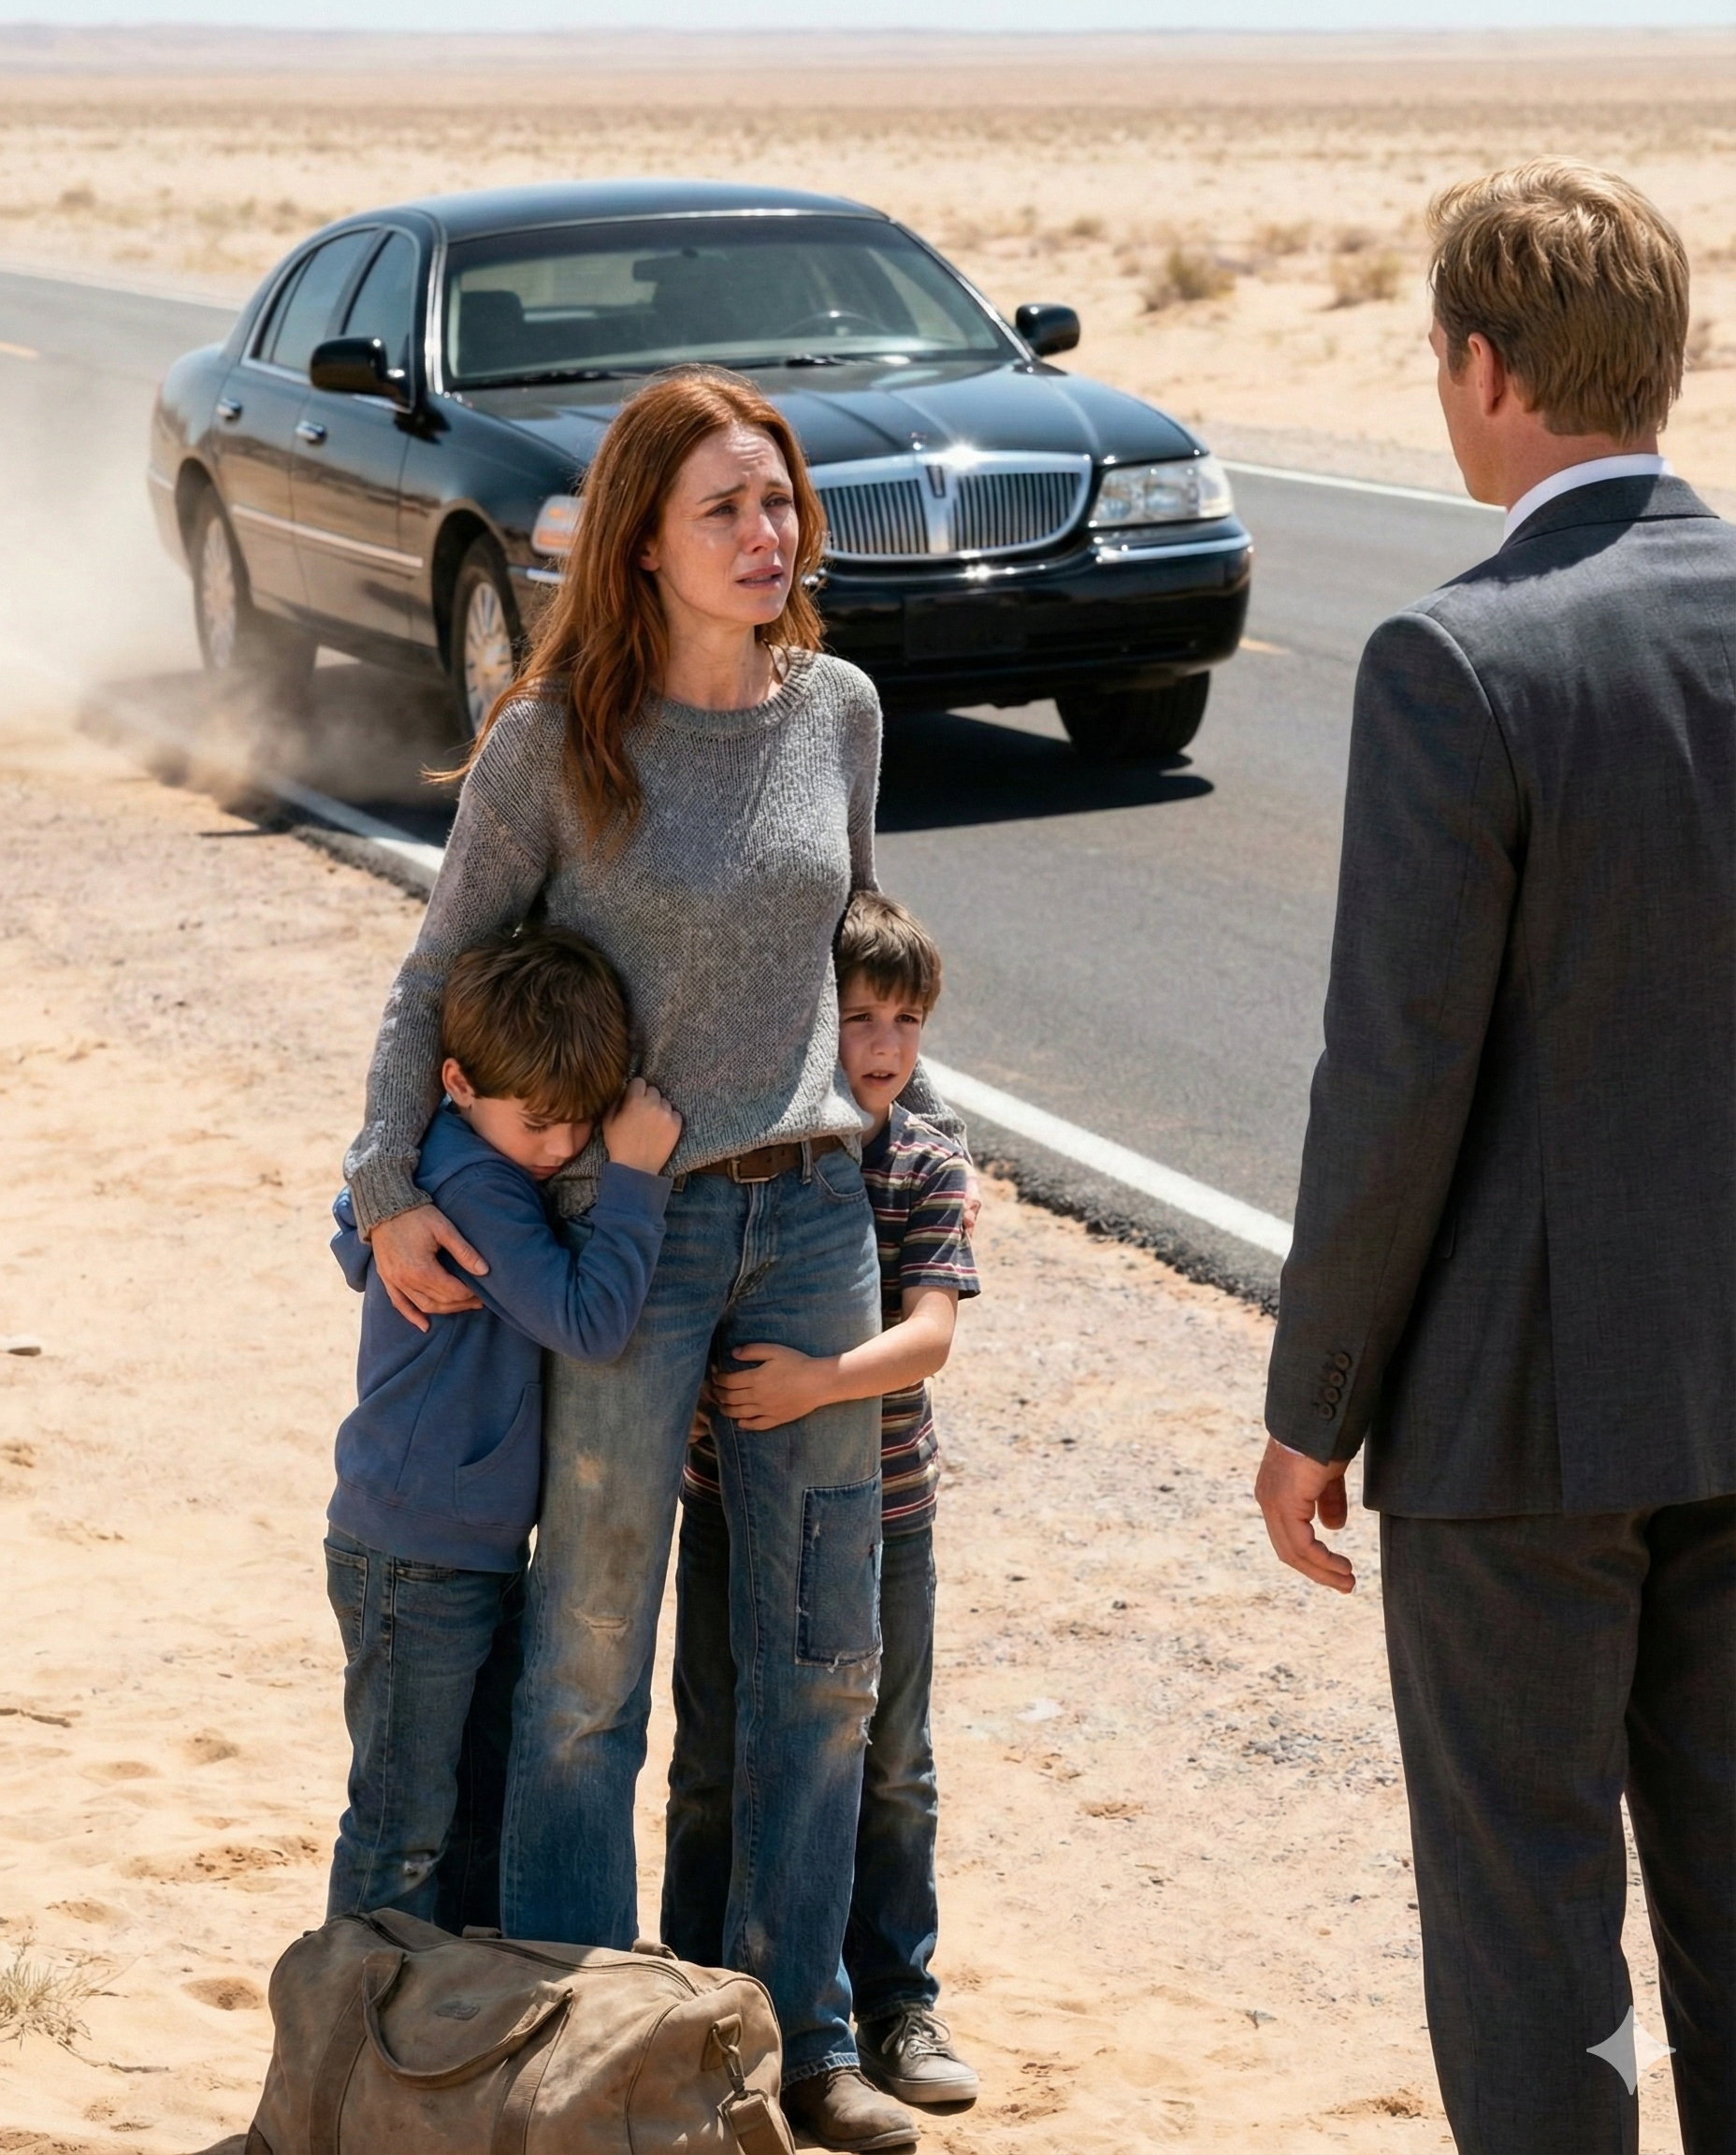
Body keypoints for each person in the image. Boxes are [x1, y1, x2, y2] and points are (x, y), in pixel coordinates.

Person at [342, 366, 964, 2152]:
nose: (768, 535)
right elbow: (431, 970)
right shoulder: (554, 743)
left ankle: (800, 2033)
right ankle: (571, 2020)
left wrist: (913, 1151)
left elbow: (851, 966)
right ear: (642, 539)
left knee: (815, 1649)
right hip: (636, 1235)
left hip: (816, 1221)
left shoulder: (838, 709)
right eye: (726, 508)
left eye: (780, 502)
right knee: (594, 1648)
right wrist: (388, 1181)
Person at [1254, 162, 1736, 2154]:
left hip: (1517, 1432)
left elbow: (1394, 1083)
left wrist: (1313, 1405)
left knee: (1533, 1935)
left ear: (1483, 366)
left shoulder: (1458, 660)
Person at [666, 891, 981, 2121]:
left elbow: (931, 1337)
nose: (887, 1044)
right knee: (713, 1755)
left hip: (887, 1517)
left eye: (908, 1019)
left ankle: (894, 2001)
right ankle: (694, 1982)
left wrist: (816, 1383)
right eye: (860, 1016)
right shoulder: (760, 1148)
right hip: (725, 1502)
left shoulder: (923, 1163)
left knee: (888, 1761)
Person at [325, 929, 680, 1931]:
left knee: (462, 1820)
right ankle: (345, 2052)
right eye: (541, 1125)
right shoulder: (479, 1185)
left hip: (444, 1541)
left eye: (581, 1127)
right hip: (414, 1554)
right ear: (455, 1080)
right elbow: (589, 1322)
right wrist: (635, 1179)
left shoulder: (448, 1149)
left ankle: (431, 2038)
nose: (563, 1150)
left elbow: (344, 1213)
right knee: (401, 1831)